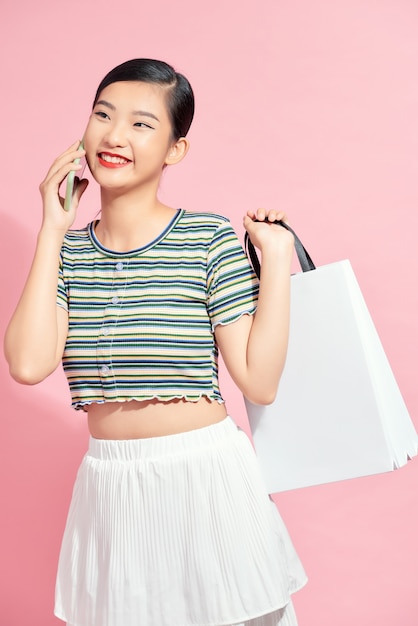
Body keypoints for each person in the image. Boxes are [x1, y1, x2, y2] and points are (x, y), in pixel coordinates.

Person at [4, 58, 307, 626]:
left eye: (142, 124)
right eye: (102, 115)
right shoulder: (66, 254)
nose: (114, 136)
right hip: (111, 485)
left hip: (205, 478)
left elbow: (258, 379)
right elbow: (27, 362)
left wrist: (279, 259)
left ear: (175, 149)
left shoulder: (207, 237)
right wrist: (51, 227)